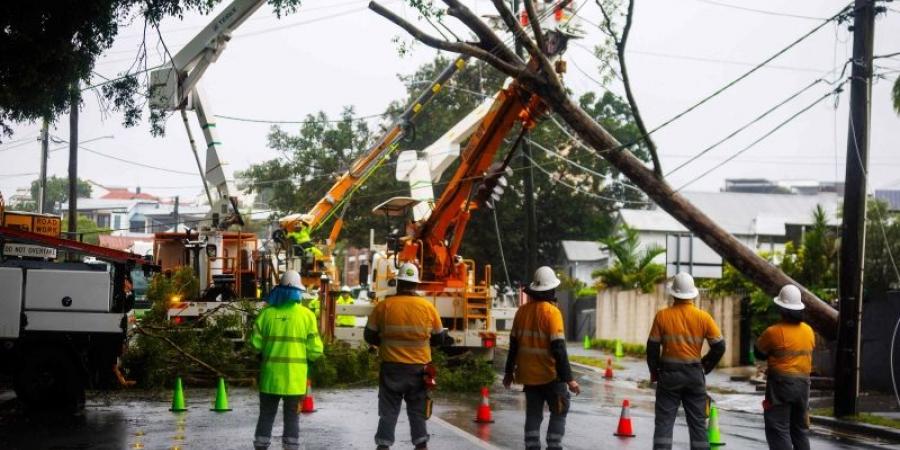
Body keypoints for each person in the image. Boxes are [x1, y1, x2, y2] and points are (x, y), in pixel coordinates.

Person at [364, 262, 452, 450]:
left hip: (391, 367)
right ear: (416, 284)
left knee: (388, 412)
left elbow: (369, 335)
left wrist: (386, 343)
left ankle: (383, 446)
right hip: (419, 369)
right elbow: (438, 338)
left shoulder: (384, 306)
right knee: (417, 411)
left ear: (398, 282)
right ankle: (421, 445)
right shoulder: (427, 308)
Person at [503, 266, 580, 450]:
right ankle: (553, 445)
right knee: (560, 410)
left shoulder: (521, 312)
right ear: (551, 290)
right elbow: (559, 349)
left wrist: (508, 372)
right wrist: (570, 380)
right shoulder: (552, 313)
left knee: (533, 414)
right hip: (551, 376)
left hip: (529, 376)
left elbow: (513, 346)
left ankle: (532, 446)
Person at [647, 272, 726, 450]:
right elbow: (719, 346)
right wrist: (705, 366)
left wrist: (654, 371)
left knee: (664, 423)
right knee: (698, 424)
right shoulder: (703, 317)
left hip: (668, 376)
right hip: (694, 375)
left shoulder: (662, 316)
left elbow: (652, 348)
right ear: (693, 294)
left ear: (673, 293)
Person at [250, 270, 323, 450]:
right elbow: (316, 349)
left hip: (270, 378)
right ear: (298, 291)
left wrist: (262, 355)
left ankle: (260, 445)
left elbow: (254, 344)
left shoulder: (266, 314)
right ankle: (290, 446)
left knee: (266, 414)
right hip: (295, 379)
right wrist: (310, 361)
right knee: (292, 416)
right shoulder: (306, 316)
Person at [755, 285, 815, 450]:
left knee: (778, 429)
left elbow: (758, 353)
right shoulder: (809, 331)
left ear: (781, 308)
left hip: (781, 385)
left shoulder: (773, 332)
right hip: (803, 386)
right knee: (800, 430)